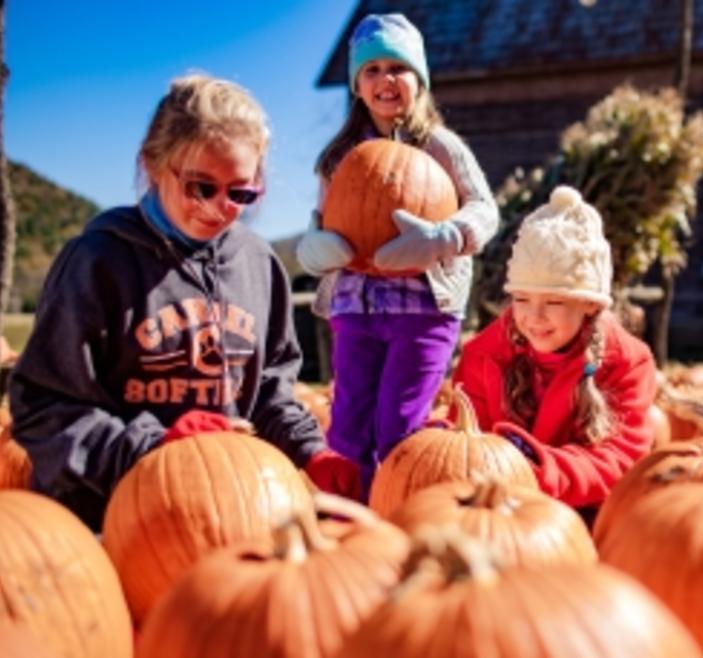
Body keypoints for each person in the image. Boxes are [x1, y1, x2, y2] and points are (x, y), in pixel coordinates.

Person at [9, 73, 361, 530]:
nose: (219, 207)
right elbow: (44, 406)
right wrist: (154, 447)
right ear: (155, 165)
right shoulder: (99, 260)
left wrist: (312, 452)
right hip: (108, 523)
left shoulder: (258, 265)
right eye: (201, 187)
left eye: (240, 193)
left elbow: (271, 394)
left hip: (223, 515)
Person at [295, 13, 498, 493]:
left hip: (423, 310)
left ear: (419, 81)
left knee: (398, 427)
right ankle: (350, 516)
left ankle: (400, 508)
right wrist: (316, 249)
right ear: (358, 85)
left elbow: (484, 211)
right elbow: (319, 224)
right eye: (372, 70)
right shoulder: (339, 158)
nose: (385, 80)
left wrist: (446, 237)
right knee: (348, 428)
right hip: (355, 306)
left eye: (398, 68)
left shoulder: (442, 149)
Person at [452, 186, 657, 517]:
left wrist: (537, 471)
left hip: (583, 516)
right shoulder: (483, 355)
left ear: (589, 305)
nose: (534, 317)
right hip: (494, 512)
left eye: (554, 301)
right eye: (521, 299)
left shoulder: (627, 361)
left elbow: (621, 457)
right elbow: (463, 446)